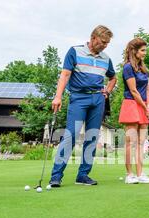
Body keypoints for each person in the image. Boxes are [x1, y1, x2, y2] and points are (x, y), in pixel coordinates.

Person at [49, 25, 117, 187]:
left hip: (98, 100)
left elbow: (113, 78)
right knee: (70, 135)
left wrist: (107, 91)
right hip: (78, 98)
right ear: (93, 38)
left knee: (92, 137)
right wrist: (58, 97)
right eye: (102, 42)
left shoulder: (106, 59)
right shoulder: (75, 51)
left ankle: (83, 175)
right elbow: (65, 74)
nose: (104, 45)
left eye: (107, 43)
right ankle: (56, 175)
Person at [118, 38, 149, 184]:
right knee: (131, 143)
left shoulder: (144, 69)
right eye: (142, 50)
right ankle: (129, 175)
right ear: (134, 51)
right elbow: (133, 91)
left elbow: (148, 88)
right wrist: (146, 107)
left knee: (141, 142)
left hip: (144, 106)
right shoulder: (128, 67)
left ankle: (140, 174)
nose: (145, 53)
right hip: (131, 105)